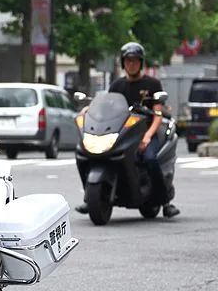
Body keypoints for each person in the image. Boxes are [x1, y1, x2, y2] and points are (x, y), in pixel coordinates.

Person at [75, 42, 180, 218]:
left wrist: (147, 137)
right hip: (122, 133)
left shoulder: (152, 83)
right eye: (129, 61)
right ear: (123, 63)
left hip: (144, 133)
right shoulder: (117, 85)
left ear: (141, 62)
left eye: (136, 61)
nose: (132, 64)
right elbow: (106, 107)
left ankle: (165, 202)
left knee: (150, 159)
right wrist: (88, 110)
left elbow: (158, 114)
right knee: (85, 154)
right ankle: (90, 198)